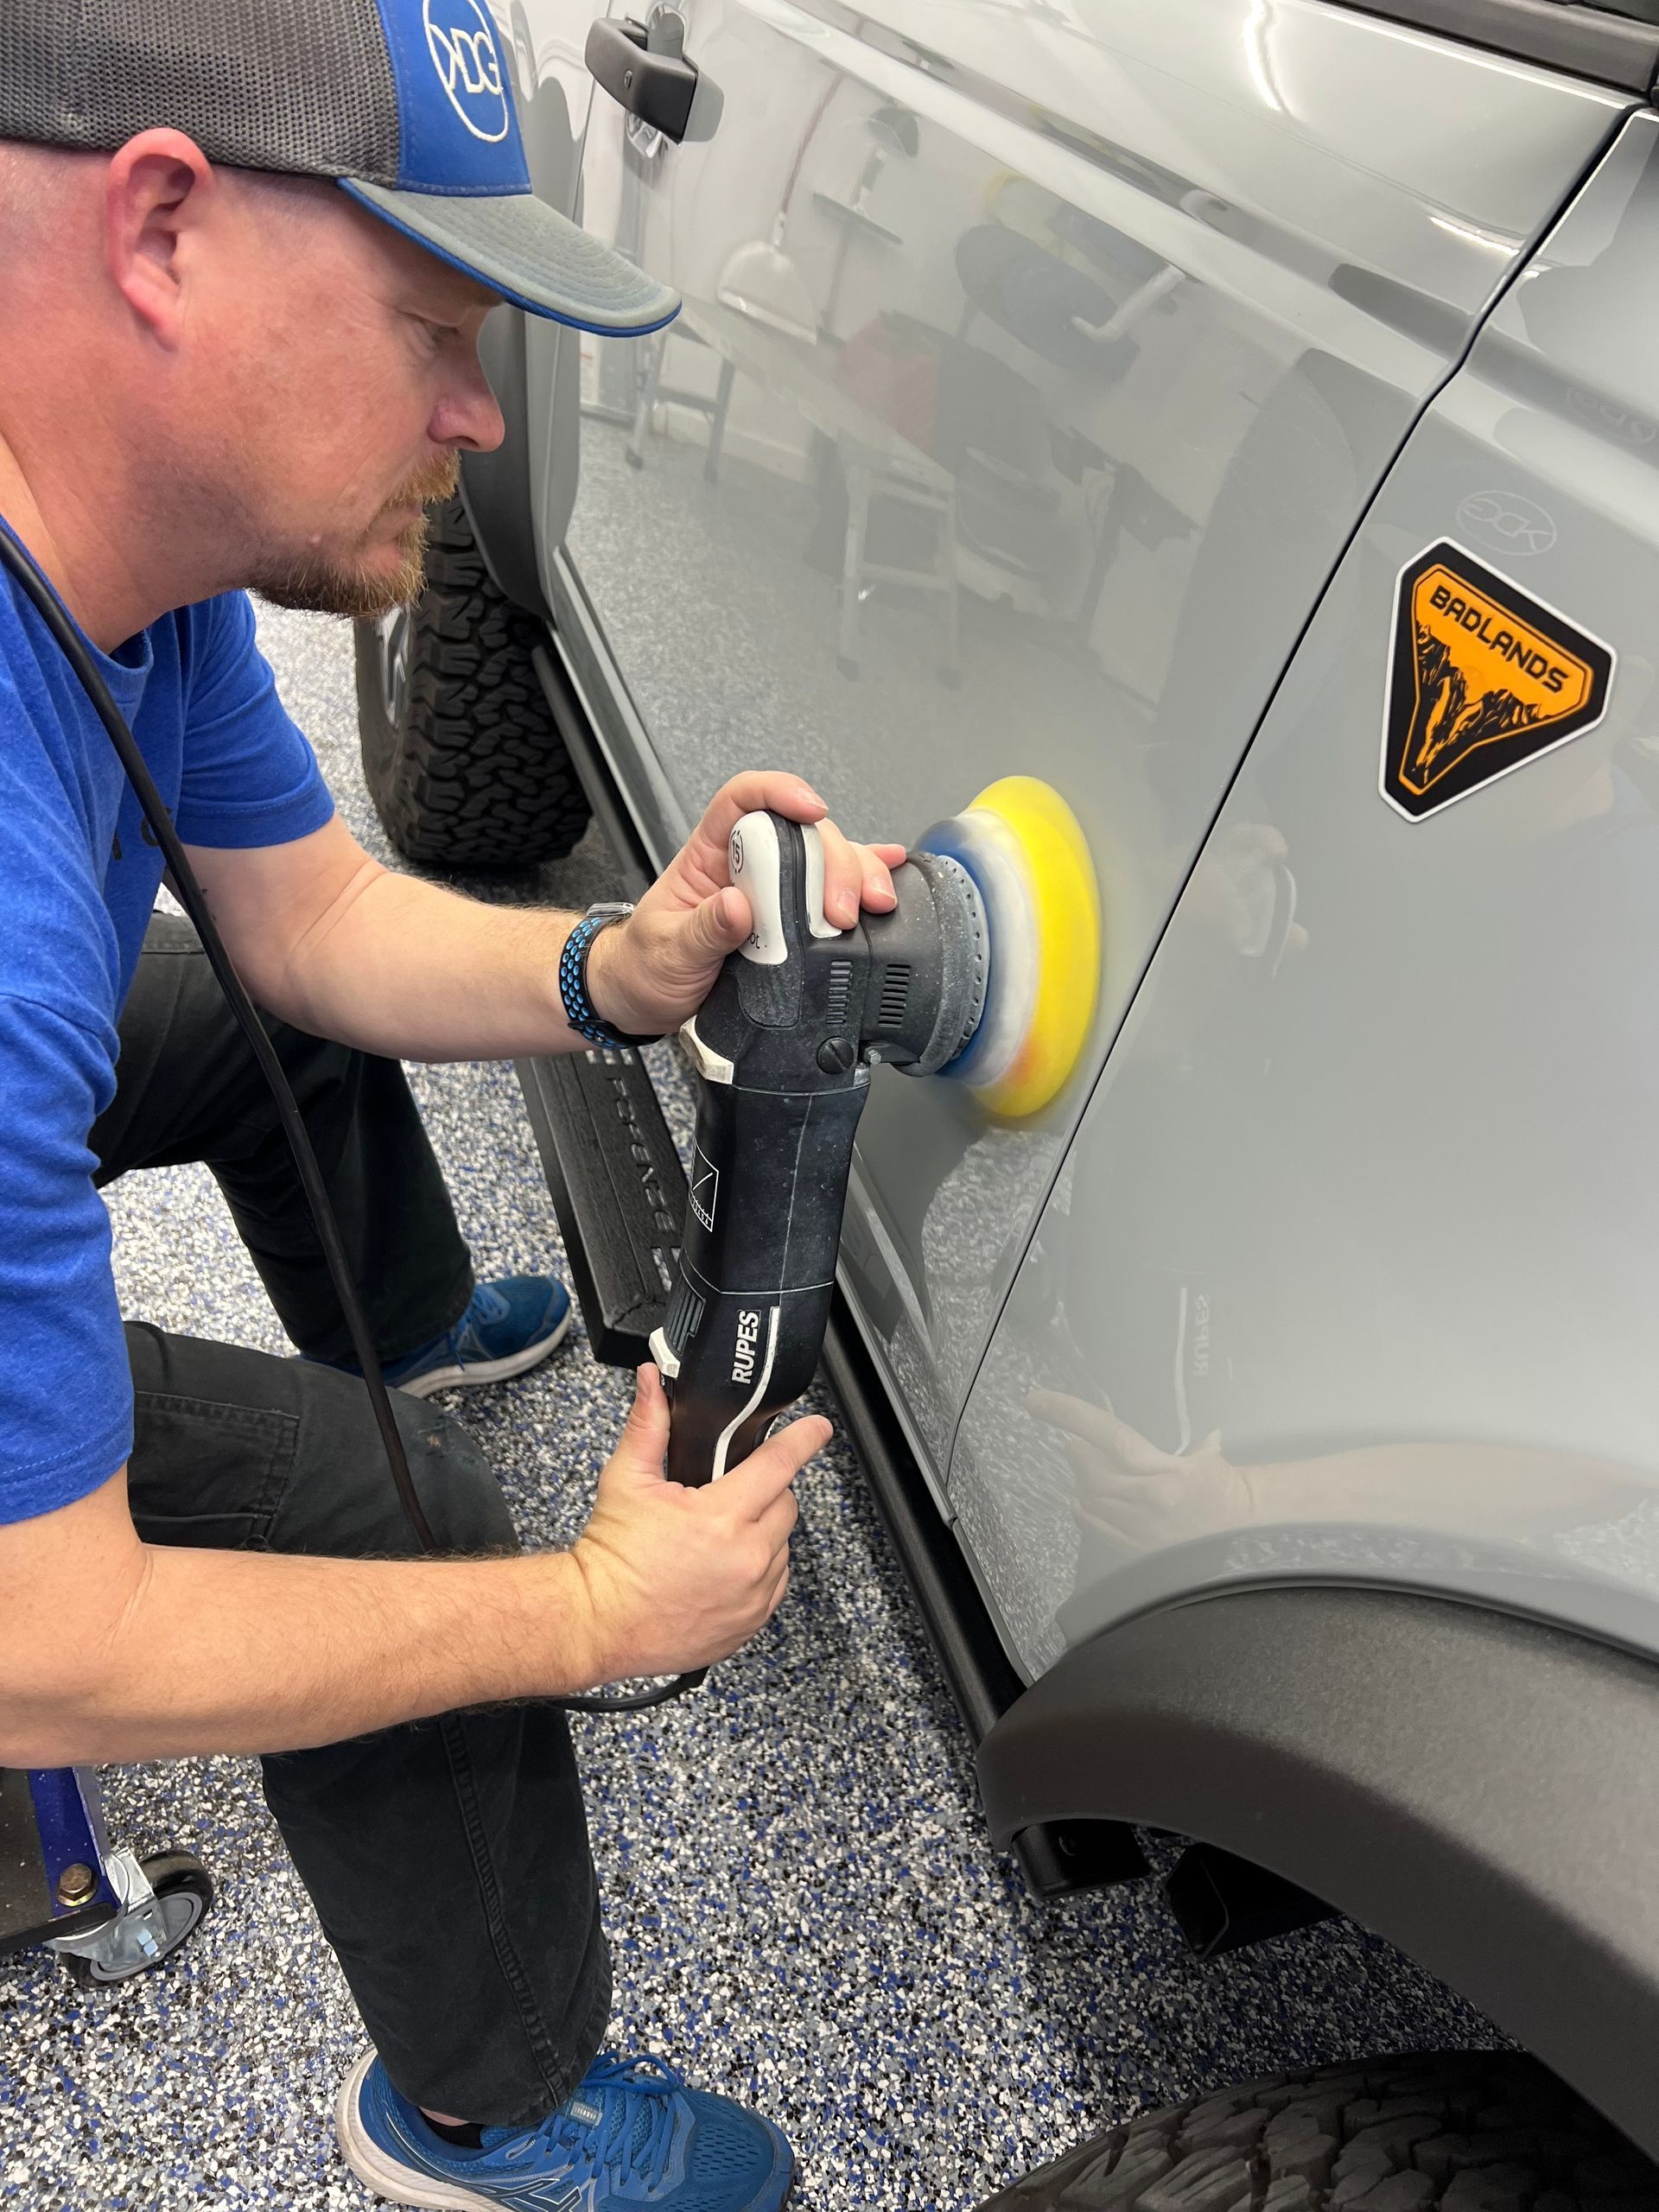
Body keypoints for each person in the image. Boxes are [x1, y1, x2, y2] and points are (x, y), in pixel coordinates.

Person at [0, 6, 906, 2209]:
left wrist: (622, 964)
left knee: (232, 1005)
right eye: (430, 324)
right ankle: (486, 2114)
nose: (476, 410)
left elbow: (308, 916)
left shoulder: (141, 549)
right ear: (163, 229)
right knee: (377, 1518)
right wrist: (595, 1606)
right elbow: (39, 1645)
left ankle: (406, 1315)